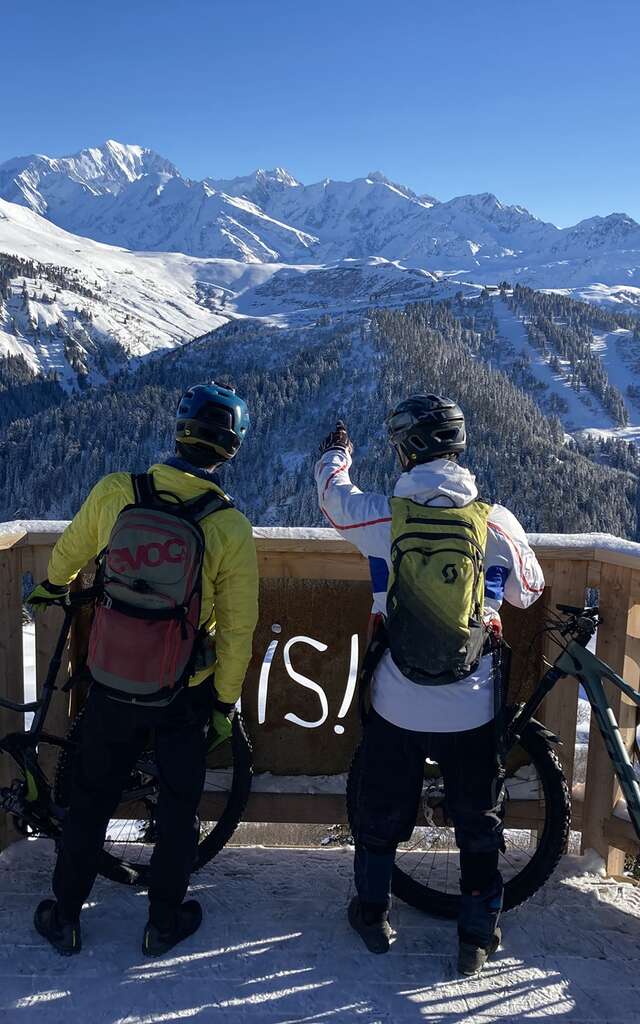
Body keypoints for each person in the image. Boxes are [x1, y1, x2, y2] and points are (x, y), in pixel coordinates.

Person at [27, 382, 259, 957]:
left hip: (110, 678)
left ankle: (66, 917)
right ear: (231, 449)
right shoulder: (228, 526)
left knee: (90, 798)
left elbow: (70, 554)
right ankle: (163, 922)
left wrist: (52, 588)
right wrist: (225, 703)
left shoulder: (116, 492)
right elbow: (237, 629)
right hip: (184, 689)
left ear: (178, 430)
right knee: (178, 808)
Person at [315, 395, 544, 975]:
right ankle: (476, 934)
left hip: (398, 698)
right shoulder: (493, 519)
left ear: (408, 449)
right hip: (472, 702)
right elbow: (531, 590)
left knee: (381, 810)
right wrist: (487, 591)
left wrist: (336, 456)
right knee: (476, 820)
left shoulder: (386, 514)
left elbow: (333, 502)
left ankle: (372, 913)